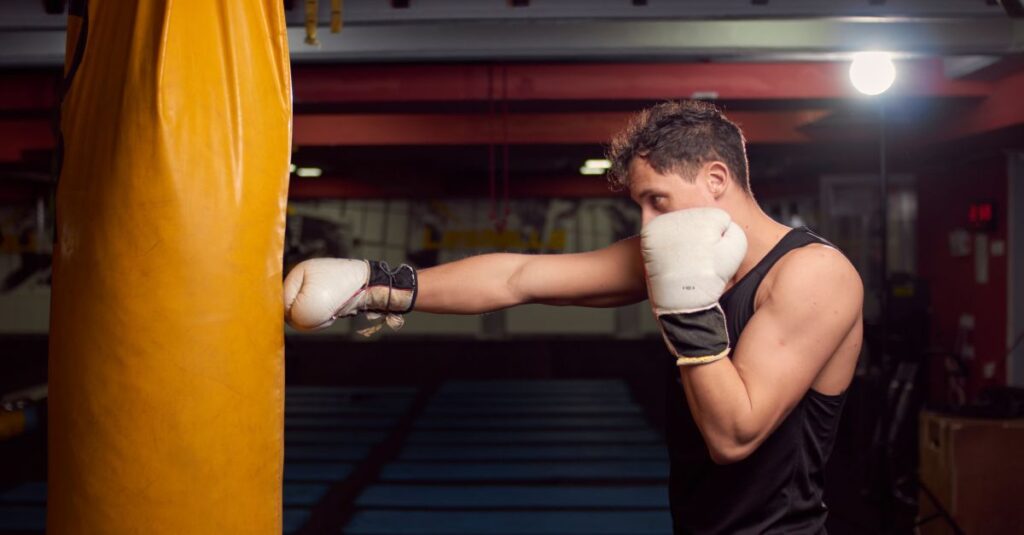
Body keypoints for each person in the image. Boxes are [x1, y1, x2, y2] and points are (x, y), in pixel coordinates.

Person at [283, 100, 864, 534]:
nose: (646, 224)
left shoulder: (813, 274)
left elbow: (734, 436)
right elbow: (517, 277)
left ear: (716, 178)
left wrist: (688, 309)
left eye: (656, 200)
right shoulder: (679, 256)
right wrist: (375, 285)